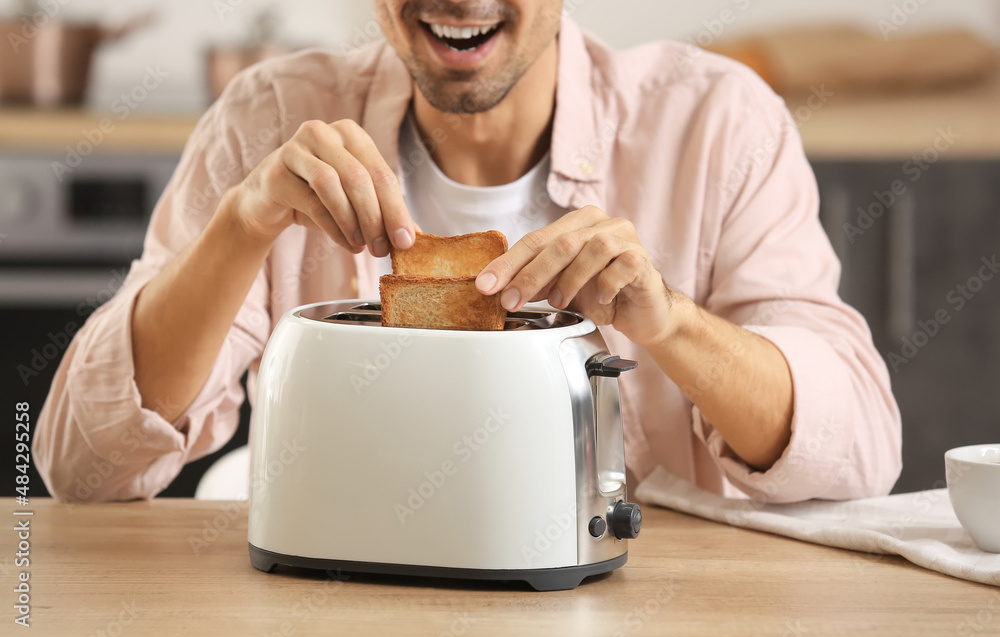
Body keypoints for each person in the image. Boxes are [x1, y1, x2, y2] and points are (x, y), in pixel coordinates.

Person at [34, 0, 901, 503]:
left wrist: (670, 322)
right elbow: (80, 465)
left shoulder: (715, 121)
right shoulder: (273, 115)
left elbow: (858, 452)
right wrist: (242, 224)